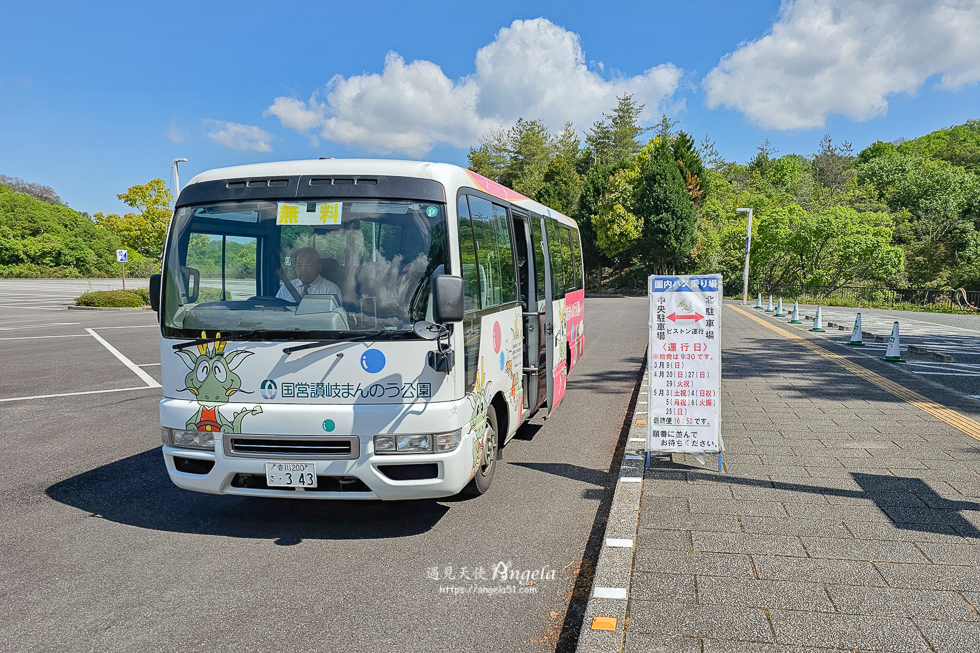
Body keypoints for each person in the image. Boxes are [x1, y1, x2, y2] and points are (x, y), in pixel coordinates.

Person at [276, 247, 342, 301]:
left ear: (319, 267)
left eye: (309, 265)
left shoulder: (330, 290)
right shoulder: (286, 287)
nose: (303, 269)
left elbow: (333, 316)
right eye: (299, 265)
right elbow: (277, 312)